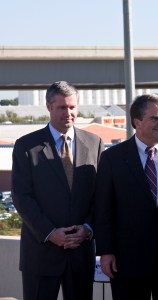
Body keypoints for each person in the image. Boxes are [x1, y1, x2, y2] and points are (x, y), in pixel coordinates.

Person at [94, 94, 158, 300]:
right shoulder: (112, 158)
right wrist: (105, 252)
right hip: (127, 261)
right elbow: (103, 208)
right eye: (155, 118)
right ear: (137, 122)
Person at [11, 81, 104, 300]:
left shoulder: (94, 143)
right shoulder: (27, 146)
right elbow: (21, 197)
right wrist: (51, 234)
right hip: (41, 253)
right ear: (49, 107)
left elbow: (100, 196)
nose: (69, 113)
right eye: (62, 107)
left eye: (72, 107)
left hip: (81, 253)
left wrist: (88, 229)